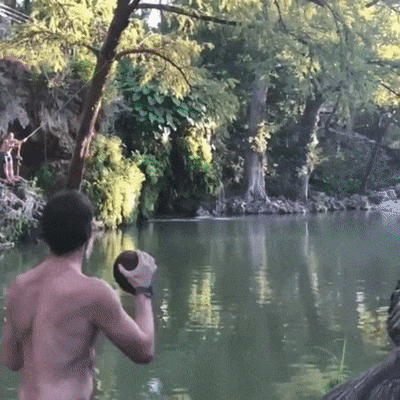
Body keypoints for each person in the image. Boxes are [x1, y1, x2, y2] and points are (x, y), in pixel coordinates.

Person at [0, 190, 157, 400]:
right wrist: (144, 290)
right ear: (88, 235)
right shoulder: (94, 293)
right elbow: (144, 351)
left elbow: (11, 360)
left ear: (44, 233)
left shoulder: (19, 287)